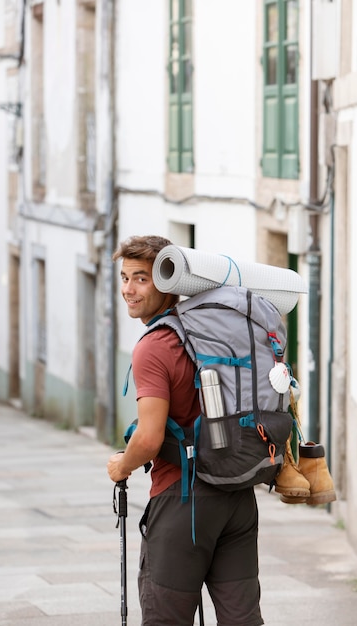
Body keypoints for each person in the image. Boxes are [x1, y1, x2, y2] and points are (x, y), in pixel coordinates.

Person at [107, 234, 264, 626]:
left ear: (168, 280)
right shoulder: (212, 331)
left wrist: (122, 466)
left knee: (165, 618)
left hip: (184, 501)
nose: (129, 289)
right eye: (125, 277)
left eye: (141, 278)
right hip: (237, 497)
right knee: (242, 619)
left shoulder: (155, 346)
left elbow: (148, 438)